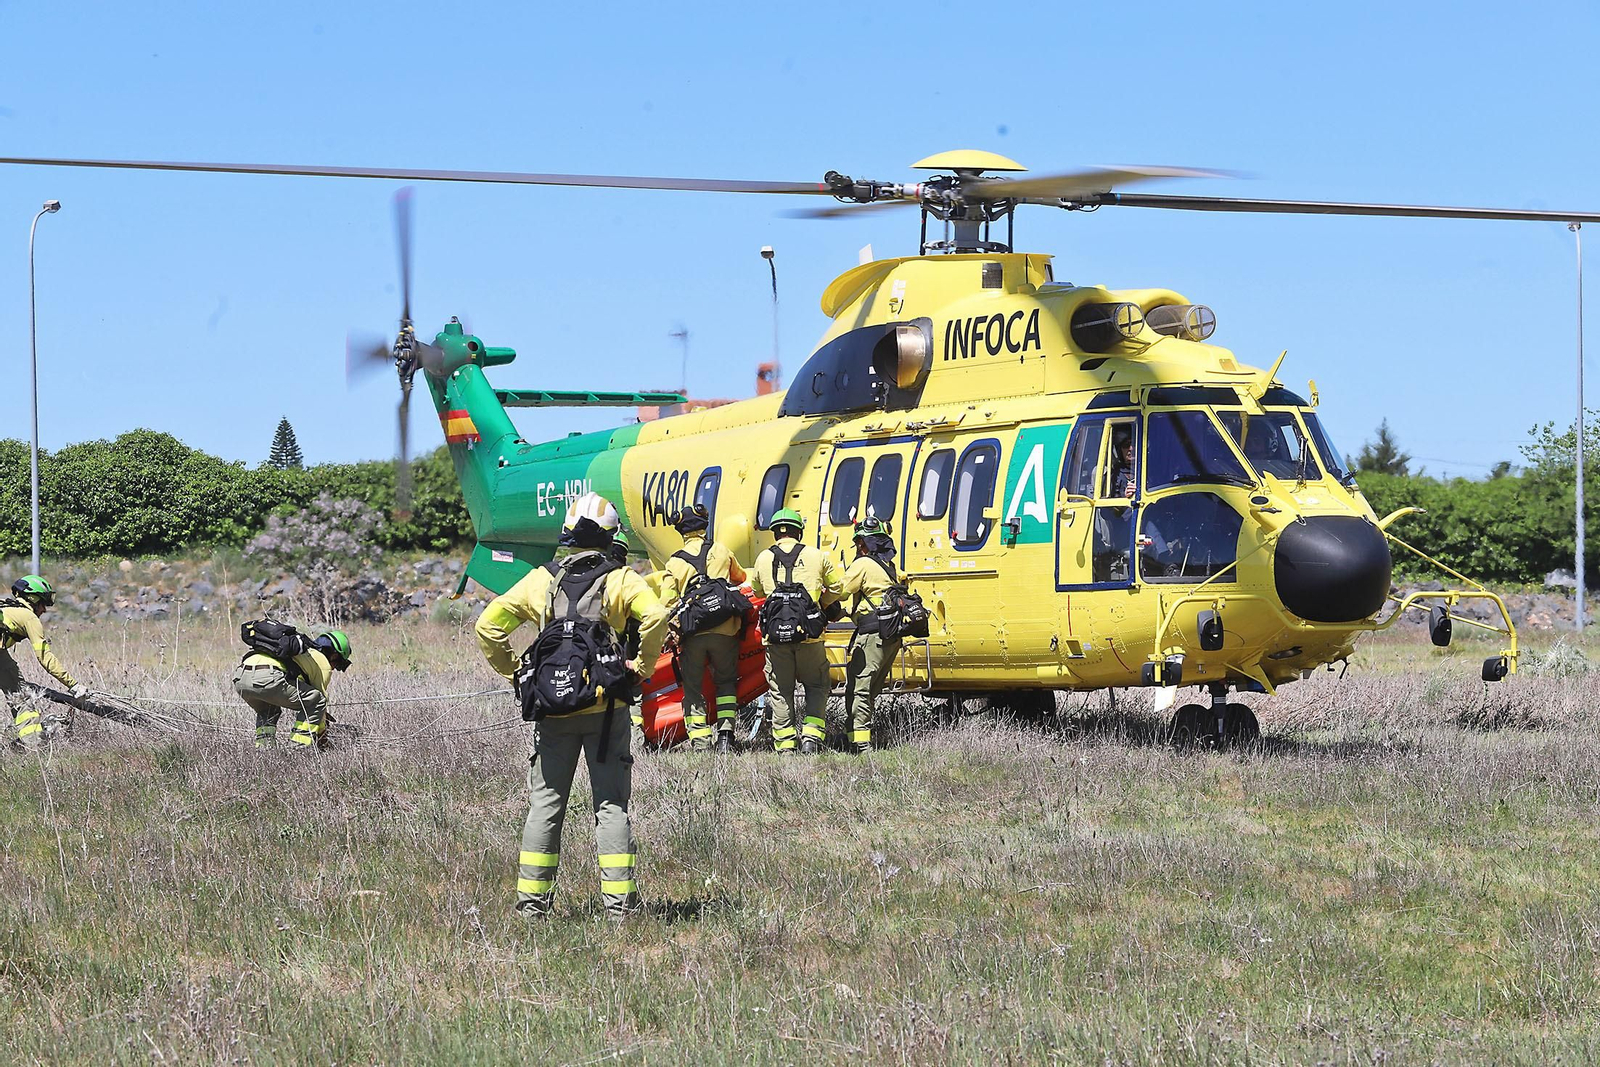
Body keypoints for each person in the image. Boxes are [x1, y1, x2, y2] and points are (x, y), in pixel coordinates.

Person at [475, 492, 667, 919]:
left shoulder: (540, 580)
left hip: (552, 709)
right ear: (609, 537)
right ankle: (620, 908)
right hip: (606, 712)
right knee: (611, 805)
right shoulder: (620, 578)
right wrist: (641, 666)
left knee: (546, 804)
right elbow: (655, 617)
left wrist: (517, 676)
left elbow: (488, 626)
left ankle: (532, 906)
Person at [749, 508, 843, 754]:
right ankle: (811, 738)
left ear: (775, 533)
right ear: (798, 531)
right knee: (816, 685)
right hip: (810, 637)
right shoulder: (816, 555)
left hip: (775, 638)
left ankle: (786, 746)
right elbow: (838, 588)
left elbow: (757, 592)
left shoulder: (762, 558)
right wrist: (820, 605)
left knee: (781, 690)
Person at [659, 504, 748, 754]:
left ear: (682, 531)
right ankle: (726, 736)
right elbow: (739, 578)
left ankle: (700, 742)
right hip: (726, 629)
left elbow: (666, 602)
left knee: (693, 687)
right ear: (703, 526)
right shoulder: (721, 550)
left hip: (693, 632)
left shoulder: (675, 562)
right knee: (726, 682)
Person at [1, 576, 89, 751]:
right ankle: (32, 743)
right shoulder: (29, 617)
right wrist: (73, 685)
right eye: (43, 603)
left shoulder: (6, 608)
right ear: (33, 599)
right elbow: (45, 657)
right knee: (21, 697)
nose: (44, 610)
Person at [232, 628, 352, 749]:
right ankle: (298, 748)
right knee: (318, 701)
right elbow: (319, 703)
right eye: (337, 664)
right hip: (268, 678)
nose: (333, 668)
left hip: (241, 678)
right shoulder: (322, 662)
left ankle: (264, 749)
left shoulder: (302, 652)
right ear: (334, 655)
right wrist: (322, 735)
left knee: (268, 710)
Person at [841, 516, 901, 753]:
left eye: (860, 543)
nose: (858, 548)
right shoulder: (889, 566)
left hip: (871, 636)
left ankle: (860, 744)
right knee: (870, 689)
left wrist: (822, 606)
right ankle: (852, 736)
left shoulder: (863, 564)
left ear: (866, 543)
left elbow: (840, 591)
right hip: (890, 636)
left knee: (859, 688)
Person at [608, 531, 651, 747]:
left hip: (602, 653)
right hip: (628, 652)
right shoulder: (631, 579)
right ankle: (636, 743)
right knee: (634, 697)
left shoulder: (594, 577)